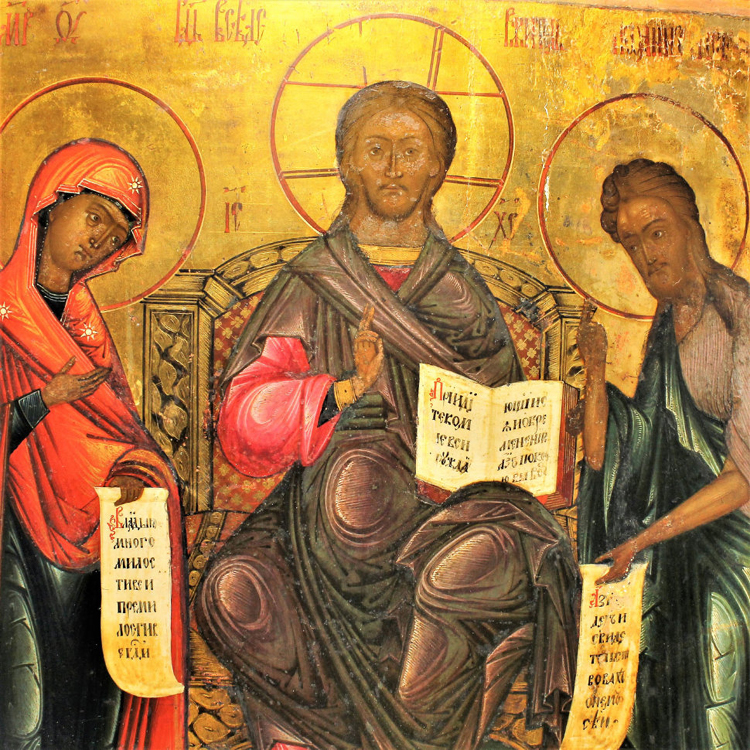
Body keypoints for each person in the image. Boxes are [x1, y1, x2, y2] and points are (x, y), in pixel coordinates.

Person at [196, 81, 577, 750]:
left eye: (412, 150)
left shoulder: (461, 292)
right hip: (311, 537)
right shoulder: (314, 279)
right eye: (376, 149)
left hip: (441, 516)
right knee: (233, 591)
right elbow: (239, 419)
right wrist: (337, 391)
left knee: (472, 570)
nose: (395, 167)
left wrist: (549, 425)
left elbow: (511, 427)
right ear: (346, 164)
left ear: (438, 169)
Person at [0, 139, 187, 749]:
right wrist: (40, 401)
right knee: (25, 709)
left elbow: (121, 435)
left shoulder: (87, 329)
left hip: (98, 550)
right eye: (95, 216)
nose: (99, 240)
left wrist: (136, 472)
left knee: (94, 710)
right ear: (51, 203)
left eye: (115, 235)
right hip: (15, 542)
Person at [576, 158, 750, 750]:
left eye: (656, 232)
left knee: (716, 702)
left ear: (692, 228)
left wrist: (645, 539)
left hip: (732, 557)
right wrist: (596, 374)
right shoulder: (667, 321)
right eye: (632, 245)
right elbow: (629, 449)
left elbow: (742, 480)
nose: (646, 256)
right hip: (672, 553)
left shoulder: (738, 316)